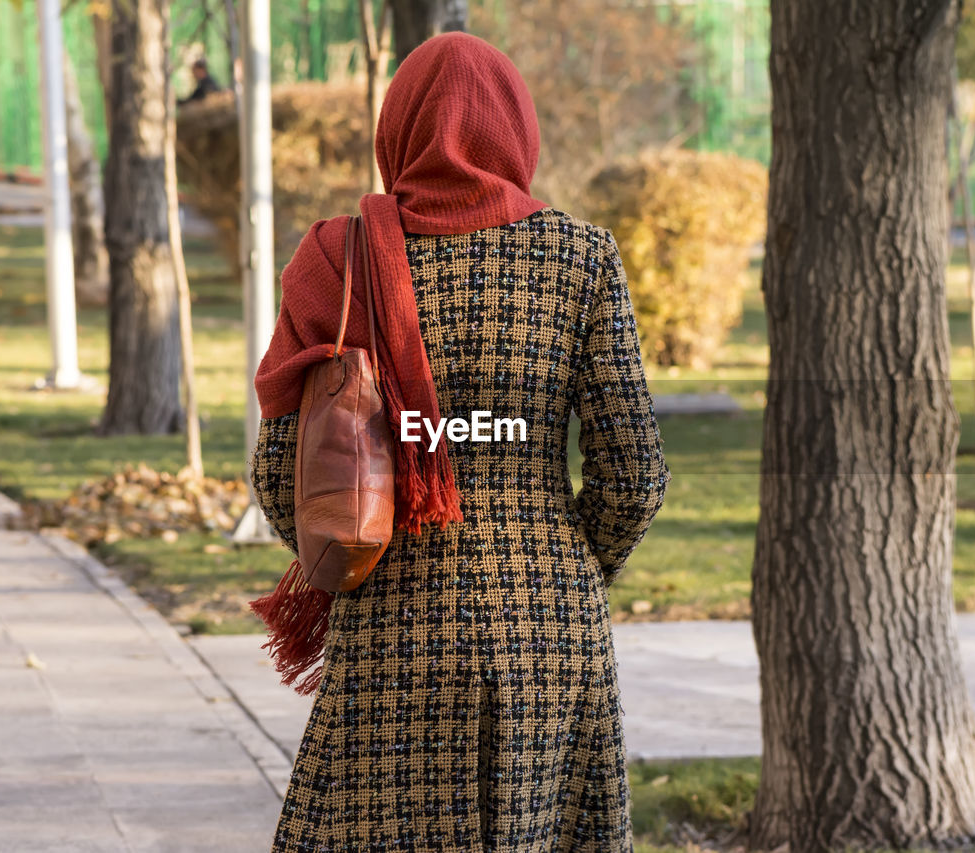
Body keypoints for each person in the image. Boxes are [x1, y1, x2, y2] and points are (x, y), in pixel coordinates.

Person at [249, 32, 668, 852]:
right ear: (517, 132)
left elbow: (280, 476)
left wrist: (354, 555)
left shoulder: (339, 258)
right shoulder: (582, 259)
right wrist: (567, 568)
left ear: (396, 130)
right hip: (549, 628)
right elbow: (636, 479)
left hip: (390, 625)